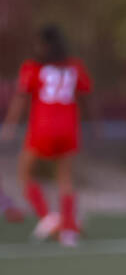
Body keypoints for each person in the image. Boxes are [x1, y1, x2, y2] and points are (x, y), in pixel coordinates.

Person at [0, 24, 93, 246]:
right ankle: (69, 230)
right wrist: (94, 125)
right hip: (68, 128)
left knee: (24, 173)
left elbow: (21, 98)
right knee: (65, 178)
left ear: (44, 45)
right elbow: (87, 95)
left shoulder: (32, 68)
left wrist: (9, 125)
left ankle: (47, 217)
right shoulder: (74, 67)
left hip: (42, 128)